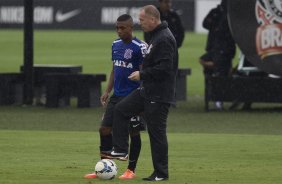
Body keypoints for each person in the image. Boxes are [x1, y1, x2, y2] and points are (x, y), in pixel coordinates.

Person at [104, 5, 178, 181]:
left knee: (156, 133)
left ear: (153, 19)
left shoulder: (164, 38)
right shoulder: (156, 36)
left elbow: (166, 68)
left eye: (142, 20)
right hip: (147, 91)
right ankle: (121, 149)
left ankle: (161, 173)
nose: (140, 23)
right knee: (121, 109)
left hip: (159, 94)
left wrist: (142, 74)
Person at [84, 14, 147, 180]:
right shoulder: (115, 45)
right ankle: (103, 168)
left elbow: (145, 73)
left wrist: (142, 101)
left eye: (122, 28)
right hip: (117, 95)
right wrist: (107, 91)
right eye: (117, 28)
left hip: (133, 96)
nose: (119, 31)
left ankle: (130, 170)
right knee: (104, 129)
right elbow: (115, 69)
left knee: (133, 131)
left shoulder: (140, 47)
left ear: (131, 28)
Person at [199, 0, 236, 110]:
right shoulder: (217, 13)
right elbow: (205, 23)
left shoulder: (228, 15)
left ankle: (217, 98)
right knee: (216, 73)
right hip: (217, 48)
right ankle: (215, 97)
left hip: (223, 49)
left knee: (220, 74)